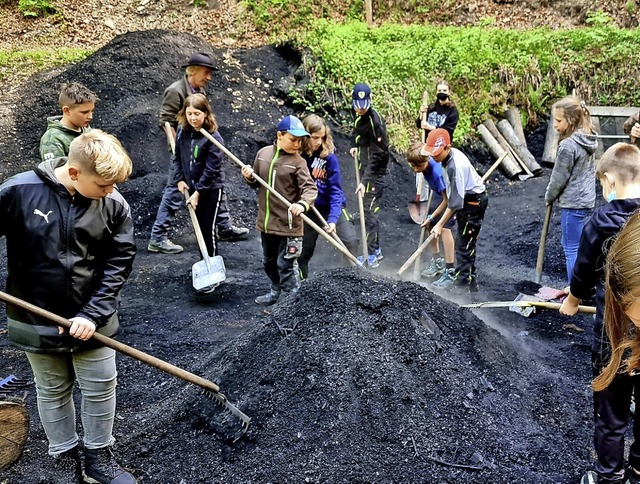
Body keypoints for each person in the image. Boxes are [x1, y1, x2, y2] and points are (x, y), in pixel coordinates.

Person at [0, 130, 137, 483]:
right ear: (75, 173)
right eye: (104, 184)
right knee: (52, 389)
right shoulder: (17, 192)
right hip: (35, 317)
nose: (111, 191)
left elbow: (118, 263)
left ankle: (99, 457)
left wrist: (92, 314)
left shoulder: (113, 204)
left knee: (101, 385)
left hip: (95, 318)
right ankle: (63, 457)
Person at [559, 143, 640, 484]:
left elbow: (584, 269)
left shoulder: (602, 220)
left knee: (610, 410)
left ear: (608, 182)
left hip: (612, 335)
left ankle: (609, 476)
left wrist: (573, 301)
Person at [149, 52, 247, 254]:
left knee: (215, 185)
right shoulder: (175, 91)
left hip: (200, 146)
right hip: (183, 150)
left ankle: (224, 227)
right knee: (174, 191)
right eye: (206, 72)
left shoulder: (199, 90)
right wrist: (179, 151)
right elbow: (167, 122)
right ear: (193, 71)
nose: (209, 77)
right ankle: (158, 237)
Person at [241, 115, 318, 306]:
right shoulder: (263, 155)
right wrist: (249, 177)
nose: (297, 144)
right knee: (269, 262)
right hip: (267, 223)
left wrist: (302, 204)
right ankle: (275, 292)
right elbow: (256, 183)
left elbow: (310, 189)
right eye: (293, 139)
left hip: (289, 226)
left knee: (286, 265)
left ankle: (293, 302)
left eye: (300, 140)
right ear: (279, 135)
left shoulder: (298, 162)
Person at [421, 128, 487, 291]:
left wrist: (439, 224)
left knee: (463, 246)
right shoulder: (447, 159)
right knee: (466, 244)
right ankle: (471, 284)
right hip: (468, 199)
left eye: (436, 152)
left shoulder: (454, 167)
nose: (433, 156)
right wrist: (434, 220)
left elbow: (455, 203)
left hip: (473, 202)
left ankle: (461, 288)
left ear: (447, 147)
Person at [172, 94, 225, 293]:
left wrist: (198, 192)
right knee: (198, 229)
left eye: (197, 113)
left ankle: (212, 268)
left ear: (206, 113)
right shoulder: (183, 132)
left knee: (207, 227)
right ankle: (204, 262)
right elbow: (177, 157)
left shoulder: (213, 137)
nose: (193, 118)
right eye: (190, 113)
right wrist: (180, 179)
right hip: (192, 186)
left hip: (211, 189)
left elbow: (212, 170)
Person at [544, 95, 598, 284]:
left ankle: (574, 292)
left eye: (558, 121)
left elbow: (559, 178)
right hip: (586, 201)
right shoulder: (588, 137)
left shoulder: (568, 146)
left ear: (572, 120)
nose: (555, 125)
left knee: (571, 248)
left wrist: (549, 196)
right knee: (582, 247)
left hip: (573, 203)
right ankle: (585, 288)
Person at [296, 114, 357, 280]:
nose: (318, 142)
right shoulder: (297, 157)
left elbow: (336, 191)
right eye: (315, 138)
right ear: (305, 136)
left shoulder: (329, 158)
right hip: (308, 208)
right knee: (302, 251)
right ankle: (302, 285)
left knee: (350, 241)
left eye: (322, 138)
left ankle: (351, 279)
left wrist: (332, 219)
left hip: (331, 206)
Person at [349, 83, 390, 268]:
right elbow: (357, 132)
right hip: (364, 167)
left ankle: (371, 254)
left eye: (364, 105)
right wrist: (354, 145)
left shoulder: (375, 122)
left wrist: (364, 180)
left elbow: (379, 154)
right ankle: (376, 250)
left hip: (374, 175)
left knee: (369, 214)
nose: (360, 108)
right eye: (358, 104)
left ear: (370, 101)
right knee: (367, 212)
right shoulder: (357, 113)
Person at [406, 141, 456, 288]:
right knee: (429, 224)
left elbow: (448, 200)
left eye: (418, 166)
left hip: (452, 197)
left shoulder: (438, 173)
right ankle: (438, 263)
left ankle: (450, 270)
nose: (415, 169)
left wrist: (435, 218)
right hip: (439, 194)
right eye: (412, 166)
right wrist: (430, 218)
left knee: (445, 229)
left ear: (427, 160)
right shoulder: (423, 167)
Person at [414, 81, 459, 202]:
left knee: (441, 177)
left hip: (441, 149)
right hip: (427, 147)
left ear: (449, 92)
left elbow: (448, 131)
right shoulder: (431, 107)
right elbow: (419, 124)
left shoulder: (453, 111)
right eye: (439, 90)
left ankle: (448, 202)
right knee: (421, 175)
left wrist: (430, 127)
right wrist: (421, 114)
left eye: (444, 90)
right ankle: (422, 203)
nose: (441, 93)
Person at [40, 82, 97, 162]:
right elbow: (54, 172)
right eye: (84, 112)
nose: (90, 116)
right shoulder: (53, 139)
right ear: (66, 110)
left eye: (92, 111)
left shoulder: (87, 130)